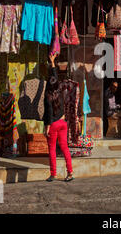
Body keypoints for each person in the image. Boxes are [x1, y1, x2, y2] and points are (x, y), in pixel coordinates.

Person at [43, 54, 74, 182]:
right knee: (65, 147)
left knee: (52, 149)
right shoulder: (60, 92)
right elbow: (54, 77)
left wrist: (46, 128)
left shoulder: (48, 97)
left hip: (54, 124)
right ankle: (70, 172)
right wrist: (52, 62)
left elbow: (49, 113)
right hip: (63, 123)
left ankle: (53, 174)